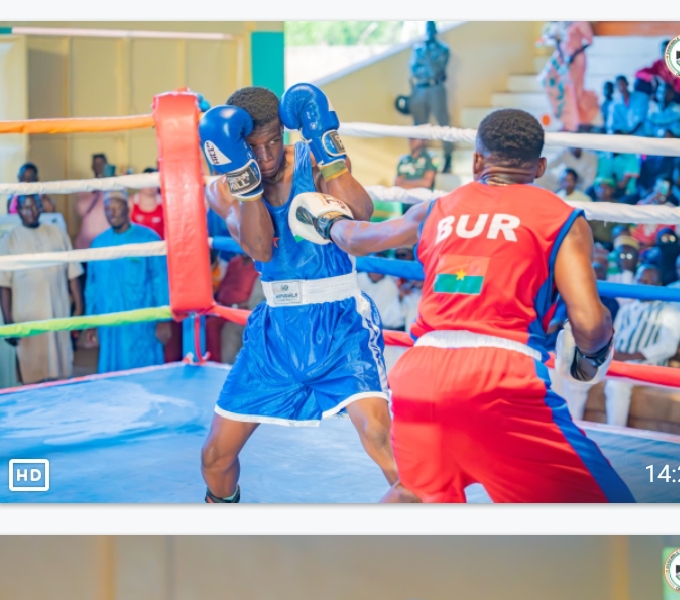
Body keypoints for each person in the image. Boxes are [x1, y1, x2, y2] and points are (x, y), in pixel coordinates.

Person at [315, 108, 634, 502]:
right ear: (539, 167)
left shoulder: (435, 209)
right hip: (500, 380)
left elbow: (357, 238)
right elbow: (589, 322)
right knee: (616, 518)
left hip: (419, 376)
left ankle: (343, 561)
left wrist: (325, 221)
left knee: (413, 500)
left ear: (477, 161)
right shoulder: (560, 217)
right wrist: (593, 353)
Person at [199, 84, 413, 504]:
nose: (265, 156)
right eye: (253, 148)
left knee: (380, 437)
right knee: (214, 458)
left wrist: (331, 157)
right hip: (276, 334)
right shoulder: (223, 190)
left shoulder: (313, 160)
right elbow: (261, 248)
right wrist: (247, 183)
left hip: (340, 324)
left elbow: (363, 214)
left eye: (274, 141)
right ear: (236, 148)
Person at [82, 190, 172, 372]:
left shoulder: (148, 239)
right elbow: (91, 286)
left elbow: (160, 281)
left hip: (142, 324)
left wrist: (164, 320)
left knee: (145, 377)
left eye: (116, 207)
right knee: (111, 376)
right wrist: (90, 322)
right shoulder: (98, 244)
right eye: (107, 208)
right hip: (109, 323)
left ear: (127, 207)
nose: (112, 213)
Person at [0, 194, 84, 385]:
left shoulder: (57, 233)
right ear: (18, 211)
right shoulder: (10, 239)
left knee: (61, 371)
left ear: (41, 206)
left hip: (58, 312)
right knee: (31, 373)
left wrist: (78, 307)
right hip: (28, 316)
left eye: (35, 206)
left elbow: (73, 273)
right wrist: (8, 322)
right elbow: (4, 284)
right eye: (25, 207)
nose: (31, 211)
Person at [600, 264, 680, 428]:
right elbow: (613, 337)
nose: (641, 283)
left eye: (647, 281)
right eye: (639, 279)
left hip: (647, 367)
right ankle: (570, 430)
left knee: (617, 384)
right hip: (617, 363)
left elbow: (668, 346)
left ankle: (615, 435)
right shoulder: (626, 309)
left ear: (658, 286)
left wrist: (629, 357)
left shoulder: (670, 310)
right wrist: (610, 352)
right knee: (573, 374)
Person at [407, 23, 452, 172]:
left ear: (435, 31)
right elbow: (414, 70)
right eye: (426, 30)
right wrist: (425, 65)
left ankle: (448, 158)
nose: (428, 33)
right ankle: (420, 160)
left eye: (431, 30)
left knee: (442, 122)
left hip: (435, 88)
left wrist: (426, 58)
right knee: (419, 125)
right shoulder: (417, 48)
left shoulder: (443, 49)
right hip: (419, 89)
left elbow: (436, 71)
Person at [539, 22, 598, 132]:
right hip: (563, 57)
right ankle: (567, 121)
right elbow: (558, 40)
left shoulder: (581, 22)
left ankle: (575, 124)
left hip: (577, 58)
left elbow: (589, 41)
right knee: (552, 82)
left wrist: (574, 54)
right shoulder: (561, 22)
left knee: (574, 90)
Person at [74, 154, 112, 250]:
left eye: (102, 164)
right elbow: (81, 211)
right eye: (97, 164)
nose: (100, 167)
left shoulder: (113, 185)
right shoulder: (86, 186)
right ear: (92, 166)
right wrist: (95, 189)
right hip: (87, 241)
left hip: (108, 240)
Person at [129, 168, 164, 238]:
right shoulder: (130, 202)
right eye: (148, 182)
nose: (150, 186)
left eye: (153, 182)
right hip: (137, 246)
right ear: (141, 182)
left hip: (159, 246)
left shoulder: (164, 203)